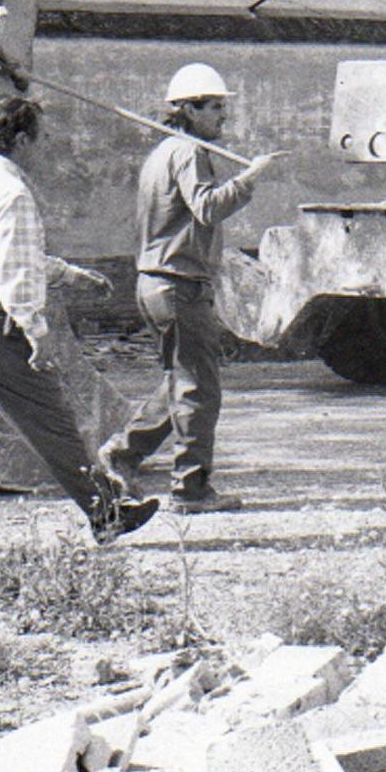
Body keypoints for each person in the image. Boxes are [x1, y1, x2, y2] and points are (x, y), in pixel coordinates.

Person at [0, 94, 158, 544]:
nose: (46, 149)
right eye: (42, 140)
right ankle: (107, 513)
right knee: (55, 425)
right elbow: (15, 274)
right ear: (21, 141)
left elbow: (10, 256)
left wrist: (72, 276)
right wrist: (36, 333)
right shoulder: (14, 193)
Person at [98, 62, 282, 512]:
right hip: (179, 284)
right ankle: (191, 490)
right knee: (200, 388)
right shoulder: (188, 153)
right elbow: (207, 208)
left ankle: (122, 453)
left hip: (157, 282)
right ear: (188, 110)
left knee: (180, 382)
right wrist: (249, 177)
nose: (223, 116)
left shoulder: (163, 154)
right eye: (215, 108)